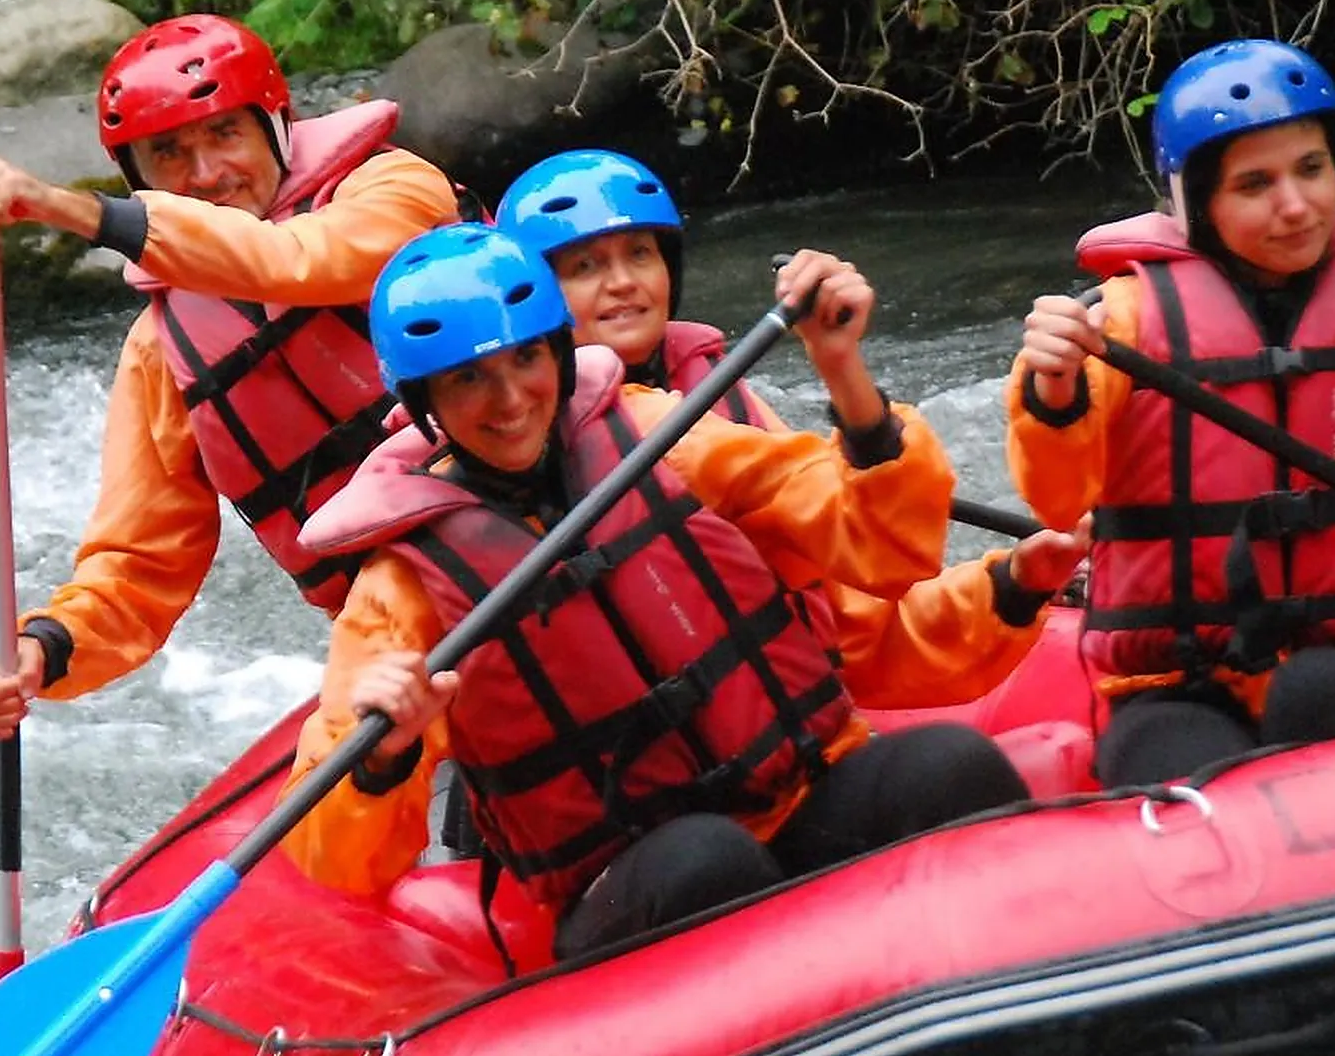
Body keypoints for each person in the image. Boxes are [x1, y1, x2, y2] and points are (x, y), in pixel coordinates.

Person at [280, 223, 1030, 960]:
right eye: (467, 378)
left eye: (526, 358)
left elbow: (885, 547)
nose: (509, 399)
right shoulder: (403, 583)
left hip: (796, 795)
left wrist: (843, 373)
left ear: (559, 352)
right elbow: (336, 856)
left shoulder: (654, 436)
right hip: (630, 879)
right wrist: (386, 752)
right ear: (426, 403)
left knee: (949, 765)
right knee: (707, 862)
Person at [1009, 38, 1335, 787]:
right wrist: (1054, 390)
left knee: (1322, 691)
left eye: (1312, 169)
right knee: (1180, 762)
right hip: (1179, 683)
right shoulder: (1118, 324)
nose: (1296, 205)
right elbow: (1057, 500)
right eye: (1255, 184)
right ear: (1197, 202)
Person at [0, 14, 460, 736]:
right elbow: (138, 567)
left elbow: (295, 262)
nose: (208, 173)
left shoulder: (394, 187)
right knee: (339, 765)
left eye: (225, 134)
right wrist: (43, 649)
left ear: (275, 128)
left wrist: (69, 208)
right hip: (391, 620)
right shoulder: (161, 351)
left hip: (537, 518)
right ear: (140, 181)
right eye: (170, 153)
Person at [496, 148, 1090, 711]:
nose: (624, 281)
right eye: (585, 266)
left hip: (770, 712)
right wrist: (839, 369)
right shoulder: (646, 431)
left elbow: (854, 626)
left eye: (640, 254)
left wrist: (1011, 587)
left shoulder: (710, 392)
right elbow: (885, 549)